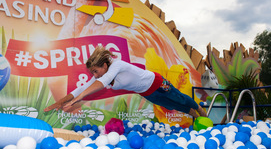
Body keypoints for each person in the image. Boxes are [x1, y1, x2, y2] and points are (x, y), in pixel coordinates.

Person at [44, 47, 207, 119]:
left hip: (157, 82)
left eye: (95, 71)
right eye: (92, 72)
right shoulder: (100, 77)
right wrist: (59, 102)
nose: (94, 75)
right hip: (147, 92)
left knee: (177, 97)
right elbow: (82, 87)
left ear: (105, 65)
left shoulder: (117, 65)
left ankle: (198, 107)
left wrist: (75, 100)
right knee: (168, 104)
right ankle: (190, 112)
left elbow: (103, 82)